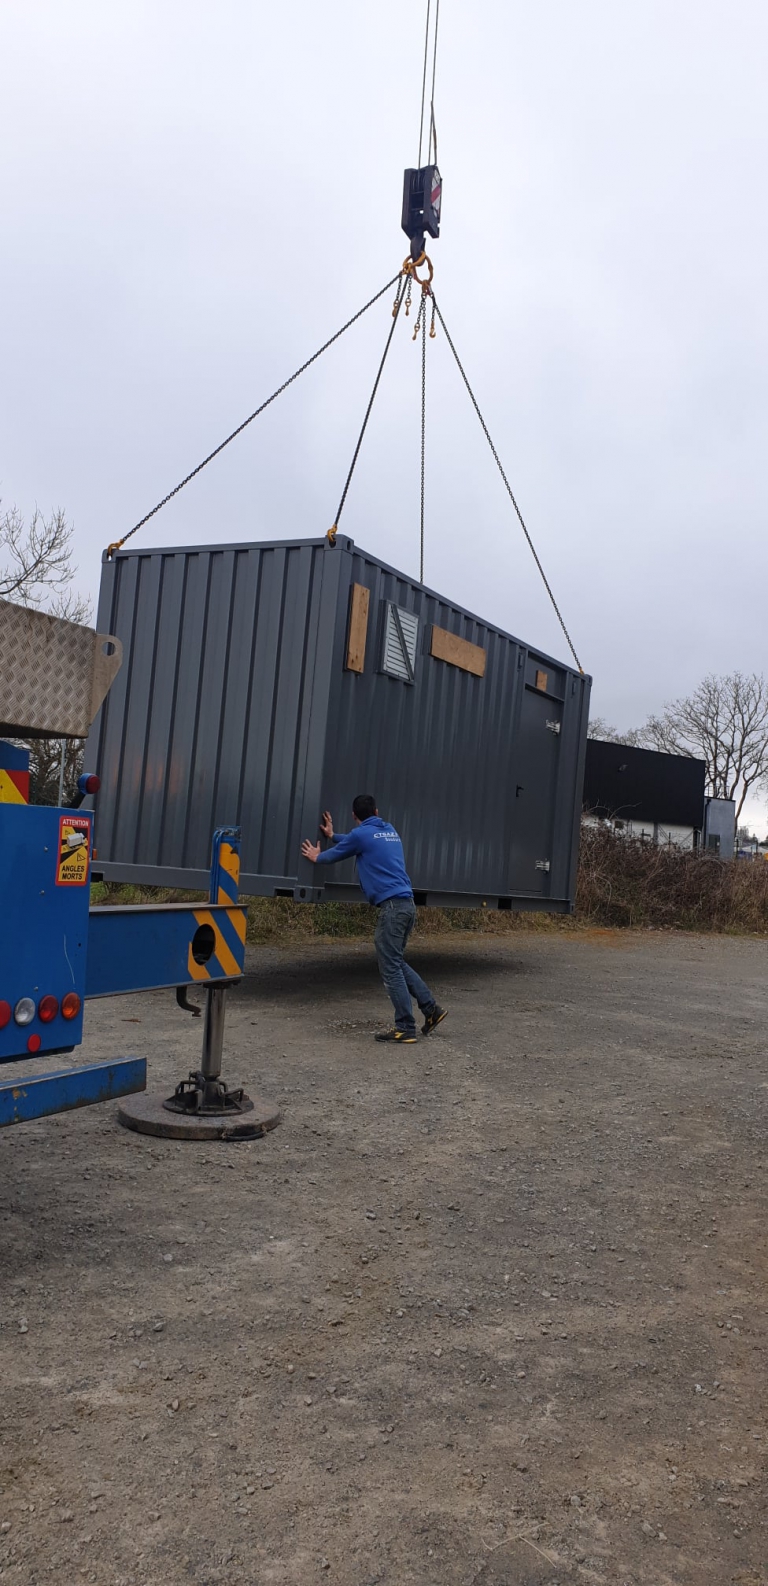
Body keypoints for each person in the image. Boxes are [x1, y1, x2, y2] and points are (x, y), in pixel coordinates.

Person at [301, 794, 447, 1044]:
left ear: (354, 816)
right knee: (396, 962)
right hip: (407, 905)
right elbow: (354, 840)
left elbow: (341, 851)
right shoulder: (388, 829)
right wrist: (333, 835)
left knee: (390, 967)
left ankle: (405, 1027)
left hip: (391, 908)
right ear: (377, 812)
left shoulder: (361, 835)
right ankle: (431, 1010)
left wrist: (317, 856)